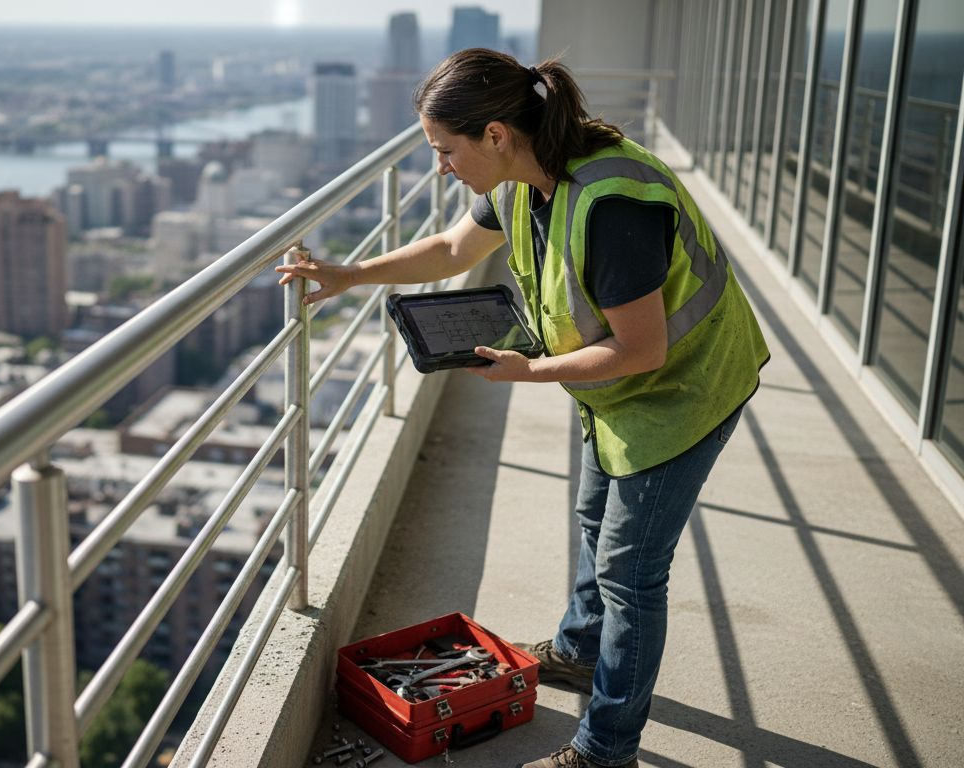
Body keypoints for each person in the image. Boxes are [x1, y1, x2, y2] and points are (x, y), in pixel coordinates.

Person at [276, 48, 769, 768]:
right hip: (620, 391)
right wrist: (350, 274)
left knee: (631, 574)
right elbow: (450, 250)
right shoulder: (520, 177)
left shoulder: (613, 204)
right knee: (593, 517)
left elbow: (642, 351)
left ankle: (606, 751)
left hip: (684, 391)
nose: (440, 166)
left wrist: (529, 370)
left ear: (497, 135)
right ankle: (576, 650)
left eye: (446, 150)